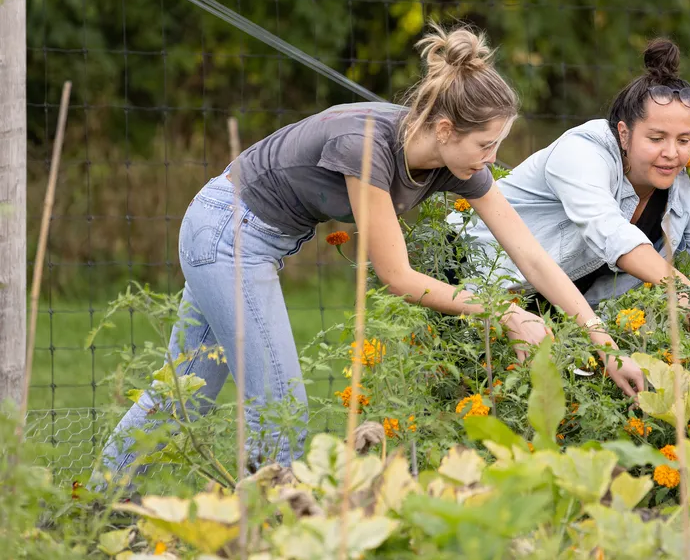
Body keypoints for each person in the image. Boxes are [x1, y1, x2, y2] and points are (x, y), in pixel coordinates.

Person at [102, 23, 645, 477]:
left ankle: (96, 512)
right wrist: (504, 310)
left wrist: (602, 340)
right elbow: (399, 277)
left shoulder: (455, 162)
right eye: (485, 145)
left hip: (247, 237)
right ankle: (269, 534)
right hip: (228, 233)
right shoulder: (366, 145)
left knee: (187, 392)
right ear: (445, 128)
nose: (492, 159)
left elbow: (532, 257)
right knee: (281, 412)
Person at [463, 38, 690, 341]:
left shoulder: (688, 175)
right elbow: (611, 233)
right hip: (470, 281)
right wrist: (683, 292)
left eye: (683, 140)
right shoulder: (582, 152)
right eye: (656, 138)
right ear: (624, 134)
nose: (672, 153)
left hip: (562, 318)